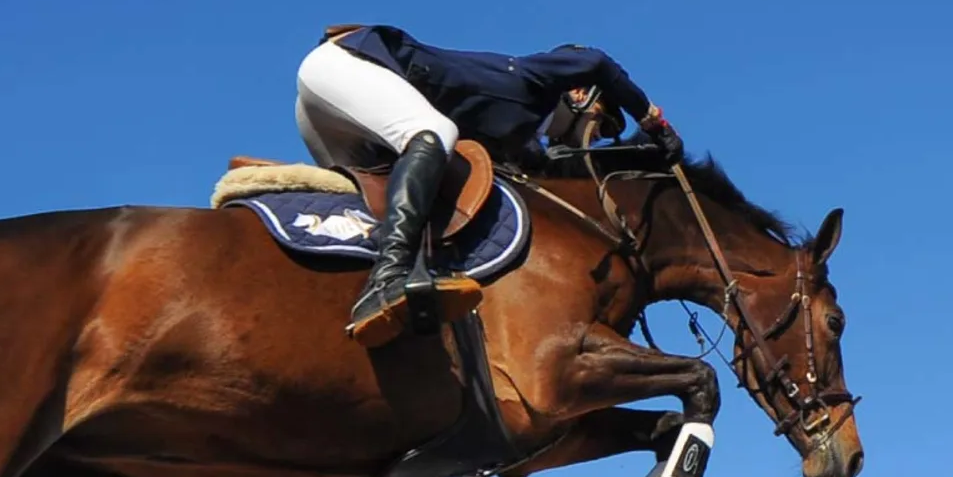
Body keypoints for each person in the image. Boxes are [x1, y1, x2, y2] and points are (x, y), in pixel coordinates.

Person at [294, 24, 685, 347]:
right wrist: (651, 120)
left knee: (371, 208)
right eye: (600, 124)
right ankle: (389, 277)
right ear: (580, 93)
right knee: (434, 132)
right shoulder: (538, 79)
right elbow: (597, 62)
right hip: (344, 66)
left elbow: (550, 170)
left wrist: (643, 159)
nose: (595, 136)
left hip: (331, 111)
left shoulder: (521, 138)